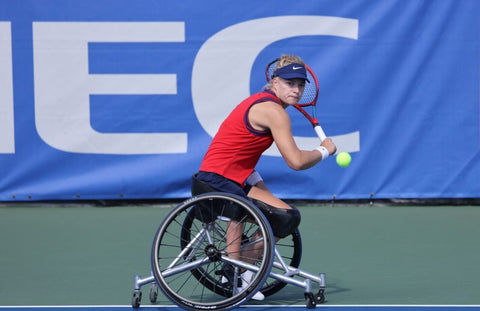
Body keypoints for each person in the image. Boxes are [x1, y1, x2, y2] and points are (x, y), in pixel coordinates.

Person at [192, 54, 337, 300]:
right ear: (275, 82)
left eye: (301, 84)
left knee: (284, 215)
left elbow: (240, 155)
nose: (297, 90)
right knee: (284, 216)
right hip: (219, 182)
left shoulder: (259, 102)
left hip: (221, 178)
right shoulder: (274, 112)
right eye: (290, 83)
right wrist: (324, 151)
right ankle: (237, 269)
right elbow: (296, 162)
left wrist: (261, 188)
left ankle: (241, 271)